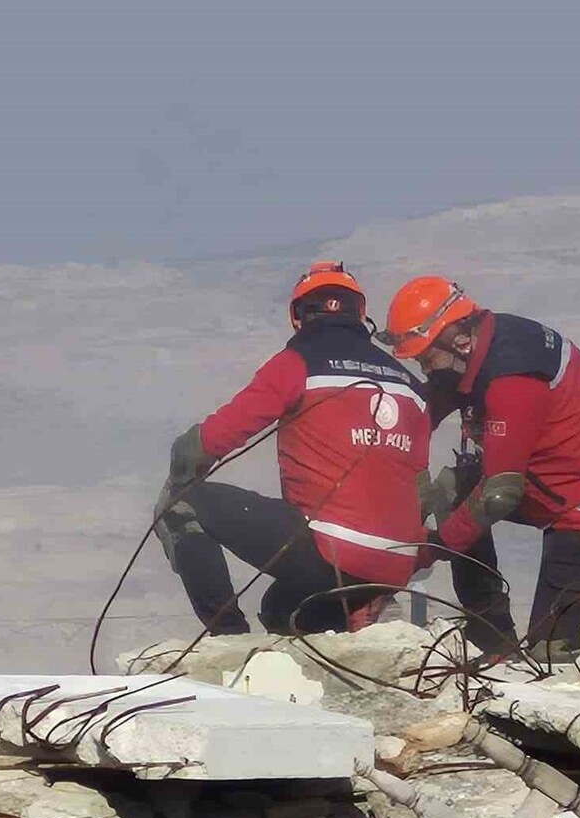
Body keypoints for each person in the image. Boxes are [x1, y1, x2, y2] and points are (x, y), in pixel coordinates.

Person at [380, 276, 580, 662]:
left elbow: (499, 495)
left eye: (426, 356)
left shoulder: (511, 379)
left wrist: (435, 548)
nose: (423, 366)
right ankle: (491, 636)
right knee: (453, 488)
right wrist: (411, 484)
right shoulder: (479, 345)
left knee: (551, 649)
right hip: (560, 485)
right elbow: (422, 416)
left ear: (457, 339)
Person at [155, 261, 432, 635]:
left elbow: (207, 442)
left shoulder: (297, 363)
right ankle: (352, 625)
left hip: (331, 552)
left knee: (178, 505)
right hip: (395, 566)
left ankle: (228, 637)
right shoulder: (412, 387)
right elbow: (420, 486)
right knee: (280, 610)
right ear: (361, 312)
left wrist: (183, 471)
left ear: (297, 317)